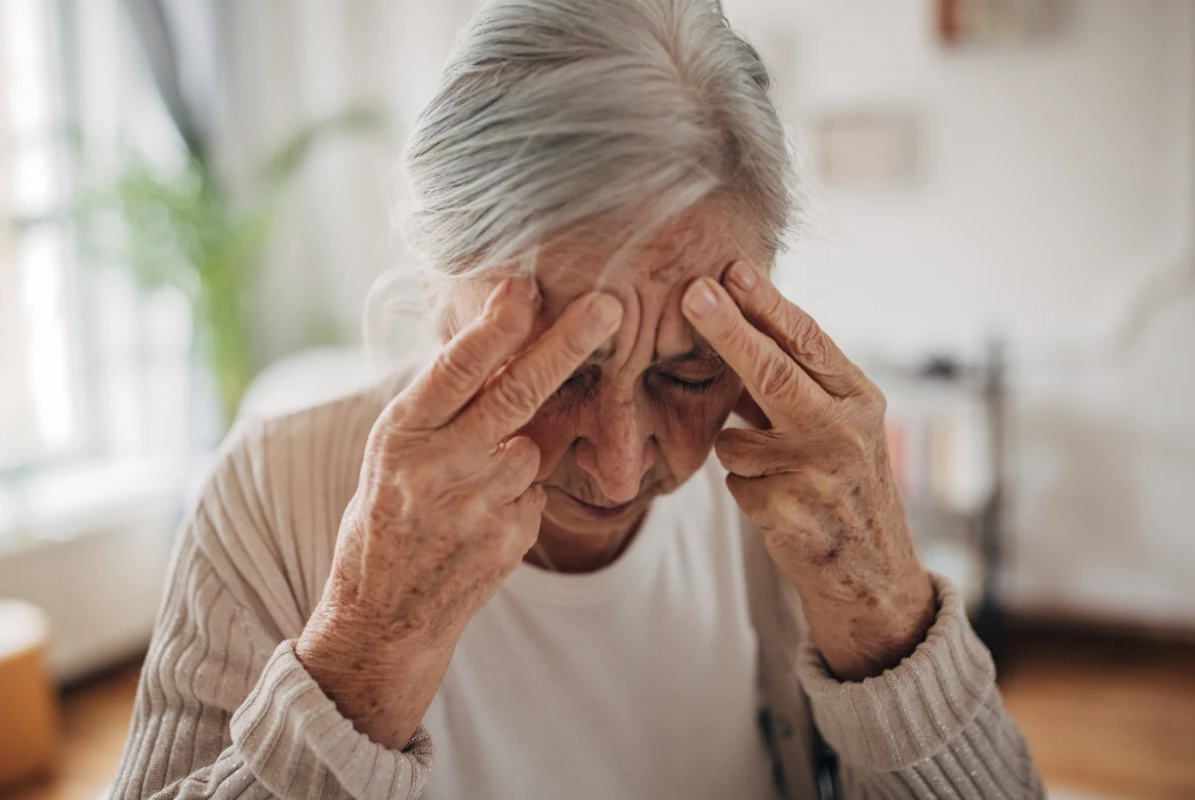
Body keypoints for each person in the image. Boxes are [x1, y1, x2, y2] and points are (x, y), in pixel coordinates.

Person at [110, 0, 1043, 797]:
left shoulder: (796, 492)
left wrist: (888, 619)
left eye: (686, 374)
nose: (622, 461)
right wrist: (359, 662)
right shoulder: (268, 500)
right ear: (443, 285)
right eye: (558, 370)